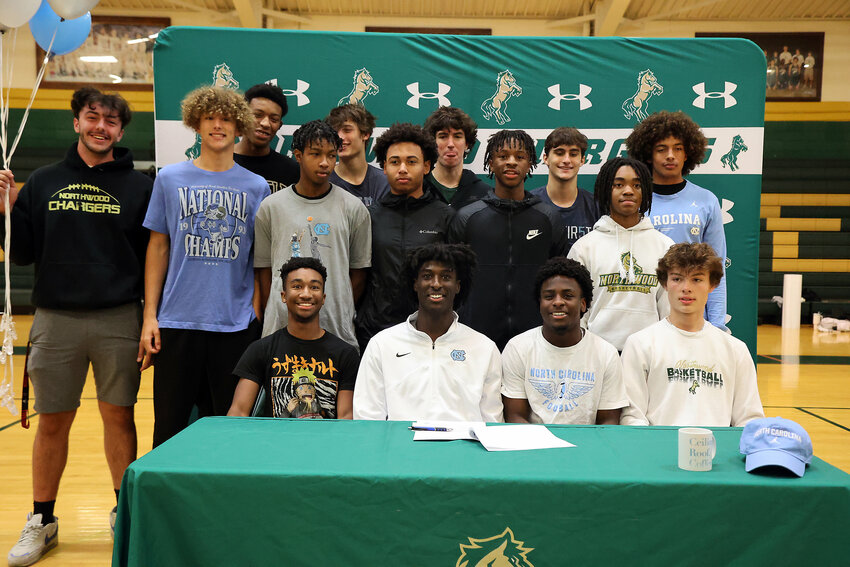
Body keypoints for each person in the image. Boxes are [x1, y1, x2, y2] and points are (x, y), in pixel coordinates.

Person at [2, 87, 152, 566]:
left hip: (118, 317)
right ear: (76, 122)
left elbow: (154, 255)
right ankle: (42, 519)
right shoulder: (43, 180)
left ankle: (122, 512)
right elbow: (21, 252)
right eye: (93, 117)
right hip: (55, 318)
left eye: (111, 121)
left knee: (119, 417)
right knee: (53, 423)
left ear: (121, 131)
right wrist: (4, 207)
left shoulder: (140, 186)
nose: (101, 127)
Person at [138, 86, 269, 448]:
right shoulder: (169, 178)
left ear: (239, 126)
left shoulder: (256, 186)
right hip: (177, 322)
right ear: (196, 124)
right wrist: (151, 316)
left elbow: (261, 257)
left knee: (227, 433)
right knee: (168, 428)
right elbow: (158, 246)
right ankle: (166, 503)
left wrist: (256, 310)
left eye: (226, 118)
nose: (217, 125)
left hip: (233, 326)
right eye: (210, 117)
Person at [254, 120, 371, 349]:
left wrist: (338, 304)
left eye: (331, 155)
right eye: (315, 154)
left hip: (335, 328)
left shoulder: (354, 208)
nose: (325, 162)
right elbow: (265, 271)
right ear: (298, 155)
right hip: (281, 327)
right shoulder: (271, 207)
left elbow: (358, 274)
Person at [353, 243, 503, 422]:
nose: (436, 284)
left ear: (458, 286)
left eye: (446, 277)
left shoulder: (484, 348)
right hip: (401, 448)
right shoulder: (382, 344)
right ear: (415, 284)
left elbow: (492, 421)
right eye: (427, 276)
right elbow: (368, 418)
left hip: (464, 448)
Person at [620, 243, 764, 426]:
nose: (686, 288)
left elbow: (749, 419)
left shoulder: (736, 350)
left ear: (713, 284)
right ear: (664, 283)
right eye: (677, 279)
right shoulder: (640, 344)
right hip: (658, 451)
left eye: (696, 279)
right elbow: (632, 417)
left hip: (717, 453)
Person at [449, 130, 569, 350]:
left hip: (536, 338)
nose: (511, 162)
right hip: (476, 338)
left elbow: (561, 278)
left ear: (530, 163)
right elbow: (453, 278)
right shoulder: (467, 218)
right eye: (503, 156)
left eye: (520, 157)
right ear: (491, 163)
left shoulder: (548, 218)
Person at [355, 122, 454, 351]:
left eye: (411, 161)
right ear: (384, 167)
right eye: (394, 161)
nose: (402, 168)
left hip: (431, 333)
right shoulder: (370, 216)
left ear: (426, 166)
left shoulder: (446, 216)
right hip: (375, 332)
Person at [625, 110, 728, 331]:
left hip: (691, 316)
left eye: (678, 148)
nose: (670, 155)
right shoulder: (634, 199)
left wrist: (718, 325)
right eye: (661, 149)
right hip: (643, 313)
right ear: (648, 154)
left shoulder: (706, 201)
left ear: (688, 153)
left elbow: (716, 268)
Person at [228, 257, 359, 419]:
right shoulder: (261, 349)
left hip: (325, 443)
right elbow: (238, 412)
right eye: (297, 286)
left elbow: (346, 417)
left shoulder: (345, 354)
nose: (306, 294)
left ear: (323, 298)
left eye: (314, 287)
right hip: (276, 442)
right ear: (283, 296)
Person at [502, 257, 626, 425]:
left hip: (588, 448)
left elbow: (608, 422)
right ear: (540, 303)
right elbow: (516, 417)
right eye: (549, 296)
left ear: (583, 304)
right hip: (534, 447)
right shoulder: (518, 348)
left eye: (567, 296)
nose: (558, 302)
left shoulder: (606, 353)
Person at [567, 157, 673, 352]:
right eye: (618, 184)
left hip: (650, 354)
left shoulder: (665, 247)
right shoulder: (584, 248)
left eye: (637, 185)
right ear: (607, 190)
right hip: (597, 354)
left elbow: (669, 310)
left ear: (646, 192)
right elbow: (576, 310)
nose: (628, 191)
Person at [531, 127, 601, 252]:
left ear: (582, 160)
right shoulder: (529, 205)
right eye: (559, 153)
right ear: (546, 158)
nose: (566, 160)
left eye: (573, 154)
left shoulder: (597, 207)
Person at [233, 83, 299, 193]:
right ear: (243, 116)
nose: (265, 123)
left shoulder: (291, 170)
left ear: (279, 126)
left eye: (273, 119)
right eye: (258, 115)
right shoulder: (219, 162)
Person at [422, 106, 490, 209]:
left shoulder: (485, 193)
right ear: (432, 142)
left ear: (466, 143)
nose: (450, 144)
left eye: (457, 136)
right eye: (443, 136)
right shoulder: (419, 189)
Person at [326, 104, 390, 206]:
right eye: (334, 132)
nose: (339, 137)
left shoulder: (385, 183)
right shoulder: (324, 182)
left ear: (365, 134)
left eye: (347, 130)